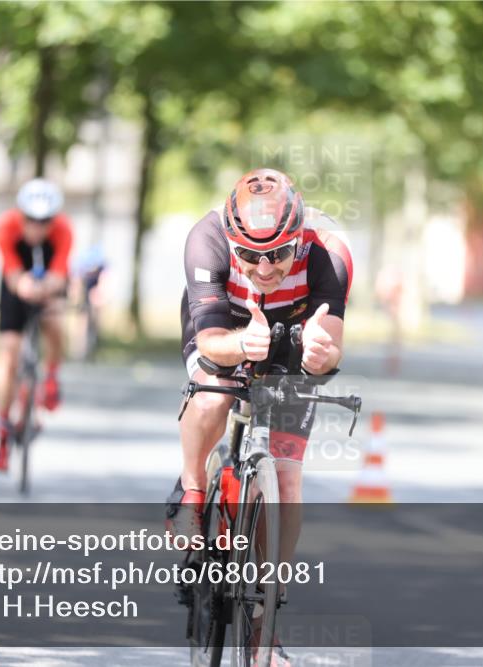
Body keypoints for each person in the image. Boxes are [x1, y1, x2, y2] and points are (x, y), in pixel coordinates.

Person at [167, 168, 353, 663]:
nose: (265, 268)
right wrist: (239, 345)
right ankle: (192, 490)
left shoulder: (328, 250)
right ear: (233, 242)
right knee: (212, 395)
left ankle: (265, 622)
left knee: (287, 481)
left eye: (278, 254)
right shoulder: (206, 239)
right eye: (250, 255)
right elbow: (208, 340)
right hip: (226, 322)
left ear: (299, 238)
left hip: (292, 332)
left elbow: (331, 341)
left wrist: (320, 353)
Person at [0, 178, 73, 472]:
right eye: (31, 220)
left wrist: (47, 289)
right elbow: (14, 277)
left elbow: (60, 275)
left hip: (48, 279)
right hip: (15, 281)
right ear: (20, 215)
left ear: (54, 219)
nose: (37, 227)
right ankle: (2, 423)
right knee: (8, 352)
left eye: (45, 221)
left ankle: (51, 376)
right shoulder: (5, 228)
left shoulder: (63, 231)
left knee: (55, 317)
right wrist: (25, 287)